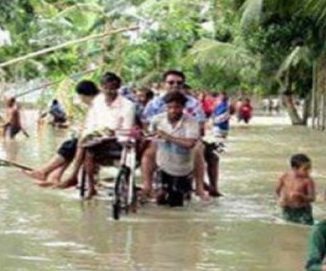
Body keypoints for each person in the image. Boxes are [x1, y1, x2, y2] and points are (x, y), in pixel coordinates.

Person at [141, 70, 221, 198]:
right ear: (164, 84)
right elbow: (146, 125)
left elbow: (200, 127)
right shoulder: (154, 103)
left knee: (199, 149)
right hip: (160, 140)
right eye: (171, 82)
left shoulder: (193, 103)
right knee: (149, 152)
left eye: (179, 83)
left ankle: (201, 188)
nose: (175, 85)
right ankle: (147, 187)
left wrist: (178, 137)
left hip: (188, 137)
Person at [58, 72, 135, 198]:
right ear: (101, 87)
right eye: (106, 88)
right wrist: (92, 133)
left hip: (117, 141)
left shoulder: (128, 105)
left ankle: (73, 176)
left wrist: (111, 134)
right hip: (97, 139)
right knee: (87, 145)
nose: (109, 91)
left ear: (118, 87)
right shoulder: (97, 102)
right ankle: (90, 187)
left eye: (113, 88)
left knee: (84, 143)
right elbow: (90, 123)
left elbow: (127, 129)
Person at [27, 81, 99, 186]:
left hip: (99, 138)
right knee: (70, 145)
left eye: (80, 97)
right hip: (94, 135)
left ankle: (45, 172)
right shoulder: (97, 103)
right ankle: (54, 176)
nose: (81, 100)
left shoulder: (99, 104)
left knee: (71, 145)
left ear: (84, 95)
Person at [142, 91, 208, 202]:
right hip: (162, 165)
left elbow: (190, 144)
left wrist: (168, 137)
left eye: (177, 107)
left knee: (176, 202)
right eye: (170, 107)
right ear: (165, 107)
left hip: (182, 167)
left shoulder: (191, 122)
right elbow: (150, 136)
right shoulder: (157, 120)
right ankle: (147, 186)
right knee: (160, 200)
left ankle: (198, 187)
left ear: (183, 107)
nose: (173, 110)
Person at [275, 154, 315, 225]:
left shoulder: (308, 181)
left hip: (303, 210)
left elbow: (312, 198)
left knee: (306, 228)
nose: (309, 171)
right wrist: (281, 198)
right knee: (288, 227)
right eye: (305, 169)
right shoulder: (285, 177)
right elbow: (277, 190)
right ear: (294, 169)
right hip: (287, 209)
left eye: (309, 168)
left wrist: (301, 196)